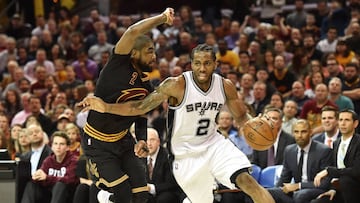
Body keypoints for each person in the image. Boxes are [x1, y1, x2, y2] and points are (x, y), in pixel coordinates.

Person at [79, 44, 275, 203]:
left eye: (207, 63)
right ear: (191, 64)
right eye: (197, 63)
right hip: (185, 154)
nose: (202, 68)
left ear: (215, 64)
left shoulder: (225, 86)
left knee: (248, 182)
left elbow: (241, 118)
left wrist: (254, 122)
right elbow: (139, 107)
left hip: (215, 144)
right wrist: (106, 107)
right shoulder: (176, 85)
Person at [80, 8, 175, 203]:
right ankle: (105, 197)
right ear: (134, 52)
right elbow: (132, 31)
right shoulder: (118, 65)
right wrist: (163, 18)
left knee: (141, 193)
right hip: (98, 143)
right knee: (123, 193)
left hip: (123, 141)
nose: (154, 57)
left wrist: (141, 139)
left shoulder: (147, 86)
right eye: (150, 51)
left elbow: (140, 114)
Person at [268, 119, 333, 203]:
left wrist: (298, 186)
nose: (299, 135)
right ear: (293, 133)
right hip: (296, 192)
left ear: (310, 132)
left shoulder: (323, 151)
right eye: (296, 132)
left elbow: (324, 183)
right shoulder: (289, 150)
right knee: (268, 192)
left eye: (303, 132)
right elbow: (284, 178)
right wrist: (276, 190)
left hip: (316, 190)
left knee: (301, 195)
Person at [313, 109, 360, 203]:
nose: (343, 123)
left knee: (346, 181)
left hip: (356, 189)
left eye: (347, 120)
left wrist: (328, 170)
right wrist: (333, 189)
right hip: (340, 189)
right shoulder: (336, 143)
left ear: (355, 123)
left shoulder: (359, 142)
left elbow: (356, 172)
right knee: (317, 202)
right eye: (341, 120)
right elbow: (337, 169)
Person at [21, 131, 79, 203]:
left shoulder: (73, 160)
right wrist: (37, 176)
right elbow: (42, 176)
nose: (58, 147)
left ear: (67, 147)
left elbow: (70, 180)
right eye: (55, 144)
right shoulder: (49, 160)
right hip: (49, 194)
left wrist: (47, 178)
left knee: (60, 185)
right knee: (31, 185)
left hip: (66, 195)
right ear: (52, 146)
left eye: (62, 144)